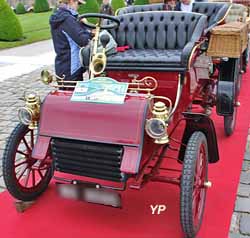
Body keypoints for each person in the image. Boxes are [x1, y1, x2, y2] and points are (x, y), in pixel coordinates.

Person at [49, 0, 93, 81]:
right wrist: (89, 30)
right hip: (71, 67)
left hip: (63, 64)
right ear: (72, 1)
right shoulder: (67, 19)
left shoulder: (60, 16)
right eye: (78, 3)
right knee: (71, 92)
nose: (78, 7)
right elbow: (83, 40)